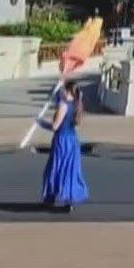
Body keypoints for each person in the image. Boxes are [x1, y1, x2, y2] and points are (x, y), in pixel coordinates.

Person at [39, 77, 88, 213]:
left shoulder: (64, 105)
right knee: (69, 170)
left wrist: (41, 123)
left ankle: (50, 198)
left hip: (62, 140)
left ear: (67, 91)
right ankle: (69, 200)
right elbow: (58, 98)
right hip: (72, 140)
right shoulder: (76, 105)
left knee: (55, 168)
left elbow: (55, 126)